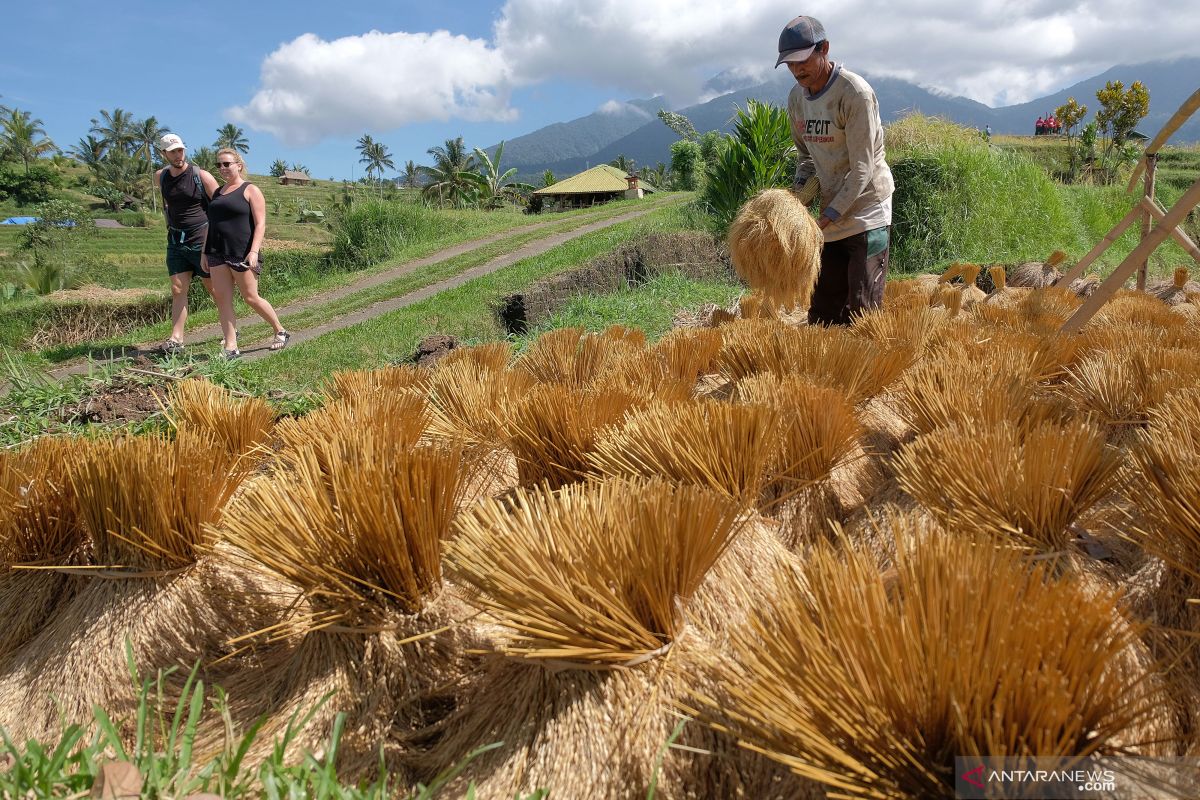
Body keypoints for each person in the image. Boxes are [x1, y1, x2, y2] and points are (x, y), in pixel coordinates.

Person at [776, 15, 895, 326]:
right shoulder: (796, 100)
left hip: (867, 210)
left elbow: (862, 169)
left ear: (824, 49)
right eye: (790, 65)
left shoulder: (854, 94)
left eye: (802, 61)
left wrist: (825, 218)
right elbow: (805, 157)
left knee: (862, 309)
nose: (796, 70)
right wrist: (796, 203)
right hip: (829, 216)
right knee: (825, 310)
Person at [203, 148, 290, 359]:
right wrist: (203, 252)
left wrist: (253, 251)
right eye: (219, 165)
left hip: (240, 251)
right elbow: (210, 224)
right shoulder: (216, 193)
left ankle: (280, 330)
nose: (222, 168)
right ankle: (231, 346)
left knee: (251, 297)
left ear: (238, 165)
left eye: (227, 164)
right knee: (223, 299)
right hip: (216, 251)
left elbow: (260, 224)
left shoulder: (250, 190)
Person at [156, 133, 218, 354]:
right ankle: (176, 338)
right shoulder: (160, 177)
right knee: (177, 288)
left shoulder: (201, 176)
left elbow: (219, 206)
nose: (178, 155)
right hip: (175, 240)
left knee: (213, 288)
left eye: (180, 150)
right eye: (172, 151)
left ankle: (230, 327)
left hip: (200, 239)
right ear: (163, 153)